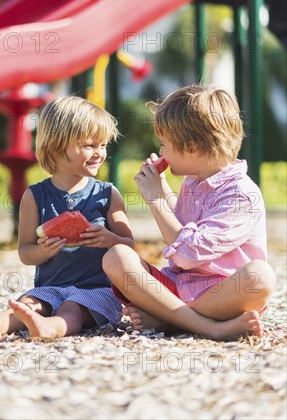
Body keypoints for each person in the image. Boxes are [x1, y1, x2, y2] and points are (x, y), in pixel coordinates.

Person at [103, 84, 276, 340]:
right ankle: (197, 323)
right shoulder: (194, 179)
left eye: (165, 145)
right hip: (178, 286)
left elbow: (187, 253)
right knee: (116, 257)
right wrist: (162, 192)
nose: (162, 152)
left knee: (260, 277)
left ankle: (172, 319)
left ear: (192, 148)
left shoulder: (241, 195)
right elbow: (184, 228)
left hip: (223, 294)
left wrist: (155, 201)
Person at [0, 96, 134, 340]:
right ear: (56, 145)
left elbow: (130, 246)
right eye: (90, 145)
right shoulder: (34, 196)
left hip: (96, 291)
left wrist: (109, 239)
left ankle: (48, 328)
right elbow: (25, 252)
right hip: (50, 288)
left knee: (71, 310)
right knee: (26, 304)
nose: (99, 153)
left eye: (103, 145)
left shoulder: (107, 194)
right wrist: (45, 251)